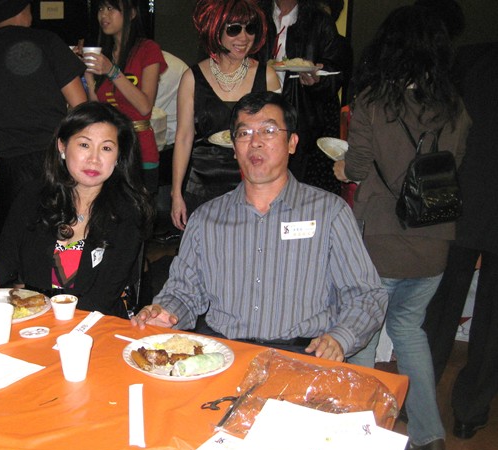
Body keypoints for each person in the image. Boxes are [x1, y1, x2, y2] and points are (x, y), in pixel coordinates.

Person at [133, 92, 386, 362]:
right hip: (224, 356)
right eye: (244, 134)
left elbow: (366, 294)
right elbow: (184, 292)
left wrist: (340, 338)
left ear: (292, 143)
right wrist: (165, 311)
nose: (255, 142)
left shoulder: (329, 212)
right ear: (234, 147)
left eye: (268, 131)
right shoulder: (207, 219)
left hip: (304, 356)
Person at [333, 6, 471, 450]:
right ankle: (429, 435)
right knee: (410, 330)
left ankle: (360, 436)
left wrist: (341, 167)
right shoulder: (454, 107)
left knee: (363, 335)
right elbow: (450, 167)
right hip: (434, 244)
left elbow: (356, 166)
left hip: (382, 242)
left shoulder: (374, 101)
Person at [0, 102, 154, 319]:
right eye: (84, 145)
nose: (94, 159)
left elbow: (102, 298)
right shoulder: (34, 196)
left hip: (92, 324)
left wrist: (42, 317)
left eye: (106, 148)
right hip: (33, 318)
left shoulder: (126, 211)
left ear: (118, 157)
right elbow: (5, 260)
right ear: (62, 147)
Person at [423, 42, 498, 440]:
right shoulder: (472, 57)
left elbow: (443, 125)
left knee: (441, 306)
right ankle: (470, 410)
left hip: (464, 197)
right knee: (493, 320)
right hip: (469, 199)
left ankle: (418, 397)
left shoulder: (472, 58)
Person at [0, 0, 86, 213]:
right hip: (57, 161)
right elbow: (82, 109)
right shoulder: (47, 42)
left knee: (19, 231)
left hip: (11, 172)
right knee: (64, 229)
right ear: (21, 10)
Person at [170, 0, 281, 231]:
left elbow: (278, 135)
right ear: (215, 30)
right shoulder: (192, 78)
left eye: (250, 28)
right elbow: (183, 138)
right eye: (234, 29)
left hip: (252, 179)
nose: (244, 37)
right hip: (202, 182)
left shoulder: (267, 76)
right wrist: (176, 192)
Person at [257, 0, 351, 194]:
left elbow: (335, 74)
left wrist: (318, 80)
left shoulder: (318, 21)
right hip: (260, 114)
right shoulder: (257, 17)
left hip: (302, 118)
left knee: (295, 190)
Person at [84, 0, 167, 196]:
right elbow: (98, 110)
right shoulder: (104, 54)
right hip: (107, 149)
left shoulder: (148, 49)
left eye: (111, 8)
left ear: (132, 13)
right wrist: (88, 77)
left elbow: (145, 106)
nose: (104, 15)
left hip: (140, 149)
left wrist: (112, 71)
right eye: (101, 8)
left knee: (139, 211)